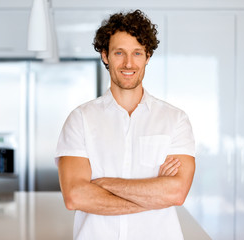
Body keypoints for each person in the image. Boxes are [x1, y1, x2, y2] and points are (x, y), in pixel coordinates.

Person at [55, 9, 195, 240]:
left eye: (137, 53)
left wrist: (103, 184)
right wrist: (154, 197)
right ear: (105, 55)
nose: (129, 63)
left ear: (147, 56)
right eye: (119, 52)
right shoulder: (80, 119)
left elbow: (176, 193)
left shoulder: (175, 120)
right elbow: (76, 197)